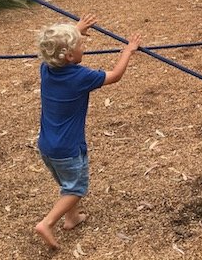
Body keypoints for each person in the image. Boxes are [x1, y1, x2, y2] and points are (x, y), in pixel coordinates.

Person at [34, 14, 141, 249]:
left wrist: (76, 30)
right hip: (69, 149)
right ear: (70, 56)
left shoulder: (47, 69)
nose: (84, 48)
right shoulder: (80, 77)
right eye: (81, 45)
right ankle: (47, 223)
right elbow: (115, 76)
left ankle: (72, 218)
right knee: (76, 189)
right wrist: (127, 52)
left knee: (66, 184)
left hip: (46, 146)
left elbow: (57, 50)